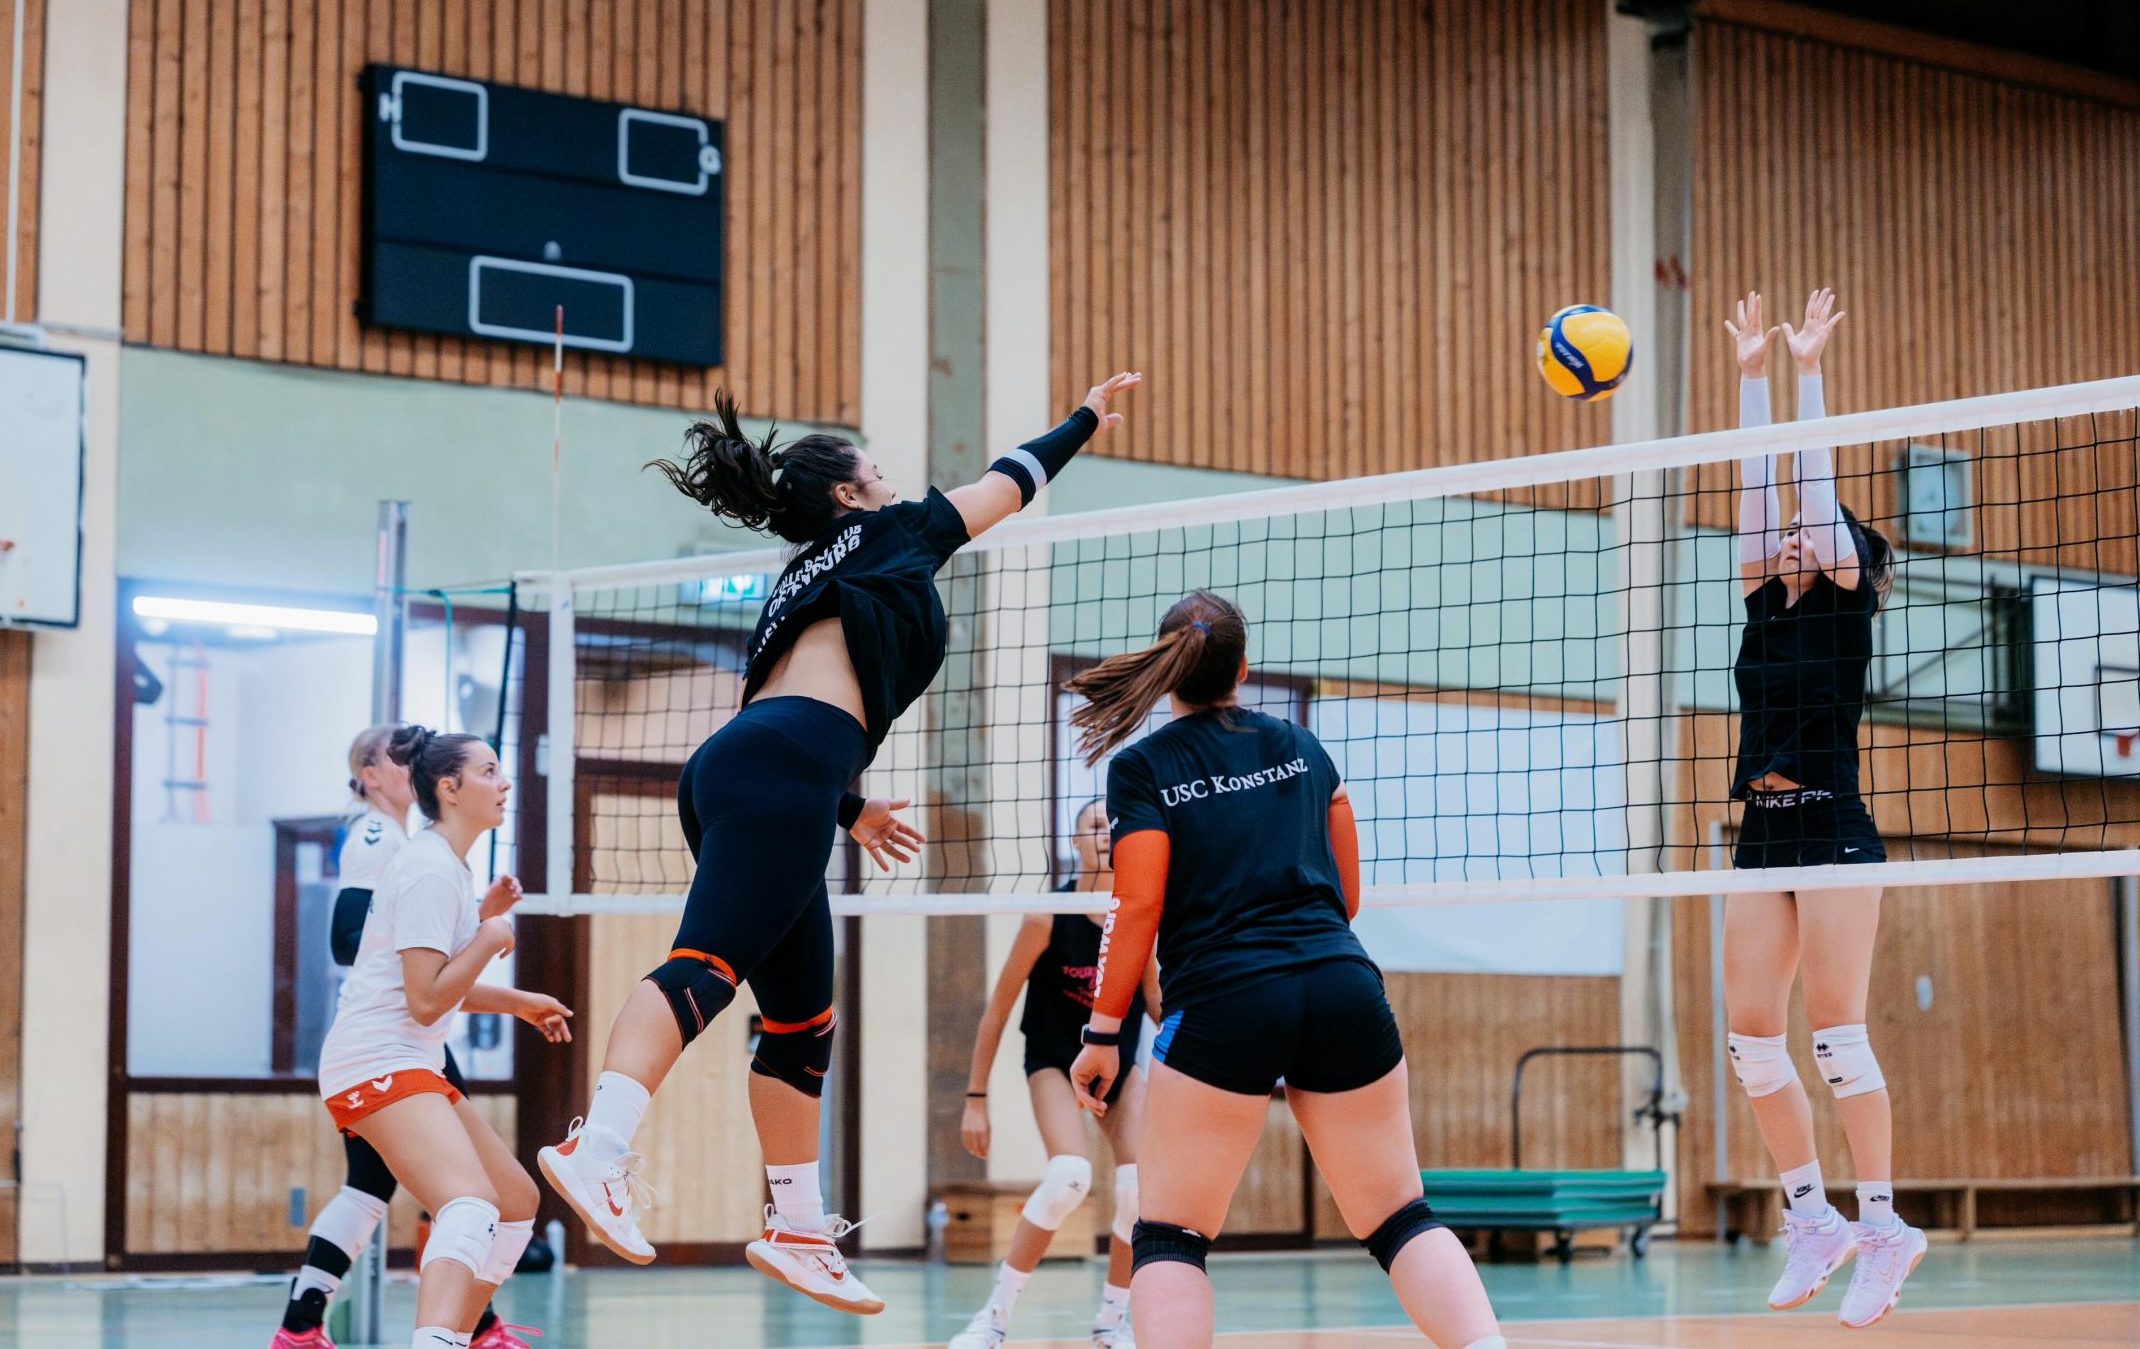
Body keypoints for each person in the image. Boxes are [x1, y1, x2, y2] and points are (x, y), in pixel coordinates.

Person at [540, 372, 1143, 1315]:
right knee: (702, 968)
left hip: (764, 769)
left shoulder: (800, 575)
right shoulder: (894, 532)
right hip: (786, 770)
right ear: (850, 494)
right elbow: (1008, 481)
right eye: (880, 472)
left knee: (802, 1024)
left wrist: (846, 805)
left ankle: (798, 1228)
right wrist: (1088, 420)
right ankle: (600, 1145)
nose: (897, 482)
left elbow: (802, 704)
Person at [1064, 591, 1508, 1349]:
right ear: (1242, 667)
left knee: (1170, 1234)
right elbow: (1349, 895)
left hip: (1224, 999)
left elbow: (1136, 908)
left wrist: (1103, 1032)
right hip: (1341, 981)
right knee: (1400, 1215)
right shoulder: (1302, 745)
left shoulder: (1141, 768)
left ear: (1170, 669)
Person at [1723, 289, 1923, 1328]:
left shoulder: (1848, 607)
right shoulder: (1767, 598)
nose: (1796, 535)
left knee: (1836, 1037)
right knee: (1751, 1039)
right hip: (1762, 828)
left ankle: (1884, 1224)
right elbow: (1764, 498)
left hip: (1836, 825)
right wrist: (1752, 378)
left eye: (1819, 530)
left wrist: (1807, 377)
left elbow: (1810, 489)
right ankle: (1813, 1216)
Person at [273, 727, 538, 1349]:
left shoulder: (444, 866)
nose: (505, 783)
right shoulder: (423, 866)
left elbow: (430, 984)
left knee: (515, 1201)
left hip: (408, 1057)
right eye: (490, 771)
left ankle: (472, 1332)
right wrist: (491, 937)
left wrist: (518, 1001)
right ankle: (437, 1338)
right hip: (376, 1058)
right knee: (468, 1205)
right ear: (449, 788)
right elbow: (424, 1002)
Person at [950, 800, 1156, 1349]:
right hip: (1054, 1062)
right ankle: (992, 1318)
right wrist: (976, 1097)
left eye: (1116, 826)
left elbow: (1162, 1005)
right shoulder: (1047, 914)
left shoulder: (1139, 914)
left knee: (1138, 1187)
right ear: (1076, 840)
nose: (1107, 835)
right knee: (1070, 1176)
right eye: (1094, 826)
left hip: (1119, 1064)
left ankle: (1112, 1321)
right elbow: (997, 1010)